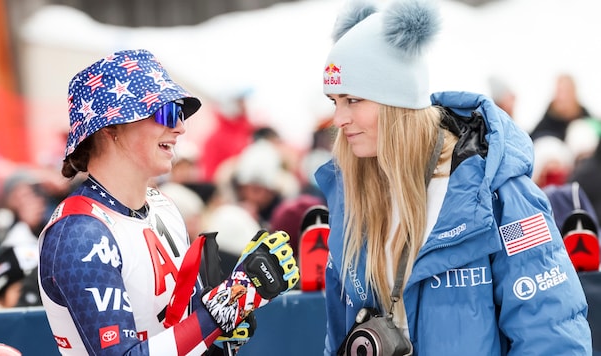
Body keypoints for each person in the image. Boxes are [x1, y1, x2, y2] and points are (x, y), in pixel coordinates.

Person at [314, 1, 591, 355]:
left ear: (397, 102)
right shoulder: (353, 194)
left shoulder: (496, 193)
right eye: (334, 101)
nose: (338, 118)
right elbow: (340, 338)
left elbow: (552, 337)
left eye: (353, 100)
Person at [37, 49, 299, 355]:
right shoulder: (81, 233)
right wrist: (229, 302)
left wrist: (221, 331)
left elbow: (180, 325)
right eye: (164, 112)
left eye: (179, 113)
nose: (180, 127)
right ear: (111, 127)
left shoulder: (162, 206)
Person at [530, 73, 590, 142]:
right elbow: (534, 137)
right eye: (560, 92)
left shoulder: (584, 117)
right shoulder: (549, 118)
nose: (563, 97)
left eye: (567, 92)